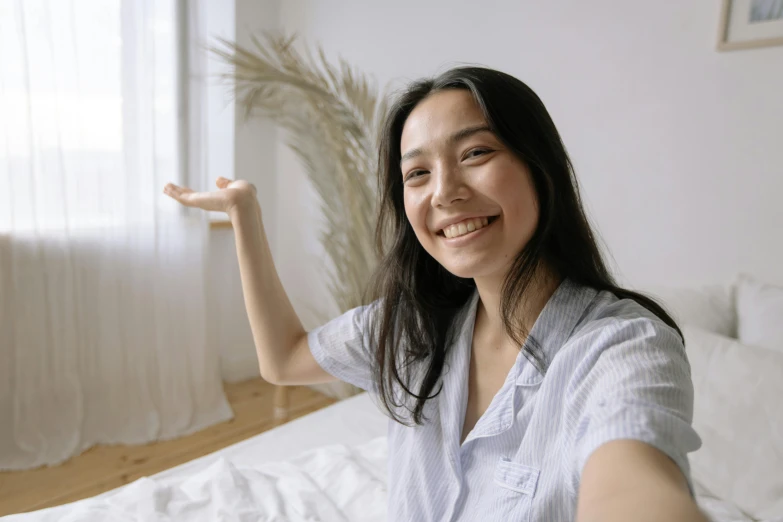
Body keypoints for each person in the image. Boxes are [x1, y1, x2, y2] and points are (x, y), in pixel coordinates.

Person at [164, 66, 707, 521]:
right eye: (418, 172)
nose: (445, 191)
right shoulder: (414, 326)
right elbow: (284, 359)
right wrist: (245, 216)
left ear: (539, 168)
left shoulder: (623, 349)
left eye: (474, 154)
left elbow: (637, 483)